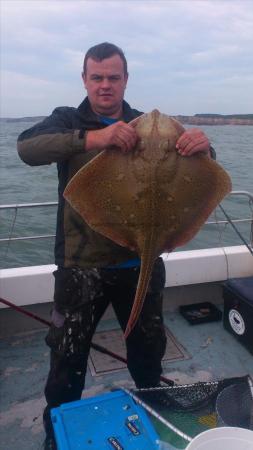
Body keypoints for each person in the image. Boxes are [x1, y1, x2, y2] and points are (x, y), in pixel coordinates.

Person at [17, 42, 214, 449]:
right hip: (81, 266)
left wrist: (203, 147)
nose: (105, 85)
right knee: (67, 359)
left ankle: (153, 412)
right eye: (97, 77)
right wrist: (96, 137)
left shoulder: (144, 124)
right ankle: (59, 430)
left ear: (126, 80)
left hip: (140, 262)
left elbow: (200, 171)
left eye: (113, 77)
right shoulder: (68, 119)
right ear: (85, 79)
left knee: (147, 350)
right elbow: (27, 148)